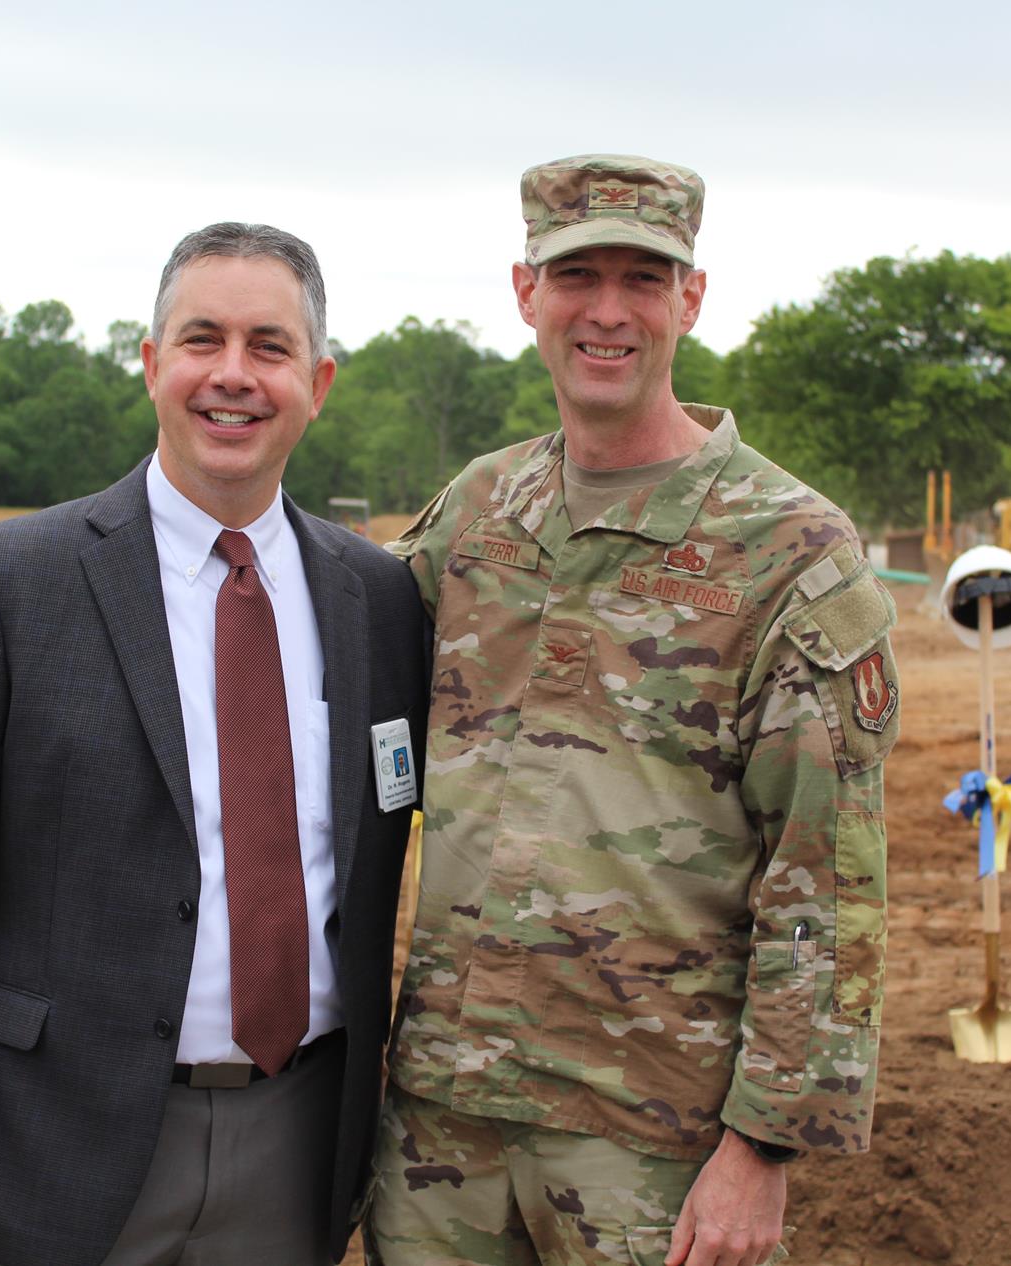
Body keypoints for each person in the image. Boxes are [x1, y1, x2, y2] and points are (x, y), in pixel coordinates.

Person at [0, 222, 429, 1266]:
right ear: (152, 362)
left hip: (296, 1147)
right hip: (47, 1147)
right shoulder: (7, 584)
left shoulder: (379, 599)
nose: (233, 376)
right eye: (202, 339)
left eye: (269, 346)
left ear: (319, 380)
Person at [368, 155, 897, 1266]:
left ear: (688, 300)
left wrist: (763, 1151)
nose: (607, 311)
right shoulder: (476, 512)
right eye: (576, 277)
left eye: (642, 279)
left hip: (649, 1142)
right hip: (443, 1129)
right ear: (526, 293)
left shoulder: (788, 552)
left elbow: (827, 880)